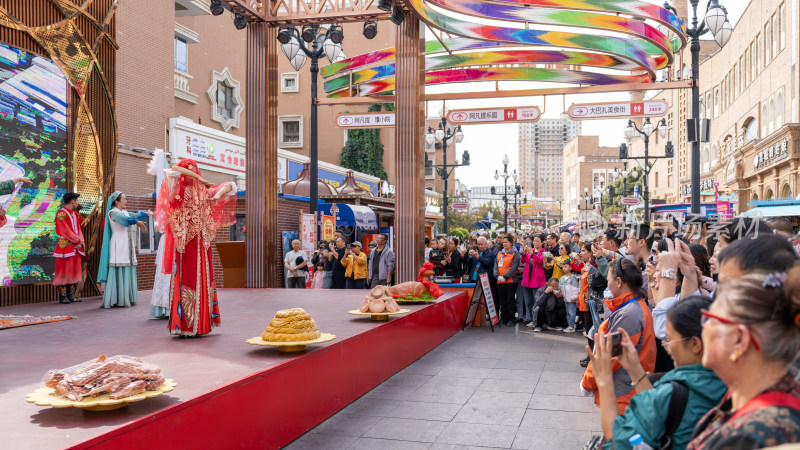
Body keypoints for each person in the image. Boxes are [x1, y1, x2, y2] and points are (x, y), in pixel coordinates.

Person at [589, 296, 726, 450]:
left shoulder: (668, 395)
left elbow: (617, 439)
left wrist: (604, 380)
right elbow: (659, 415)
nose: (666, 346)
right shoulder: (730, 383)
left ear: (695, 344)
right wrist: (634, 369)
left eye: (669, 339)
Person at [688, 268, 800, 449]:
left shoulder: (751, 436)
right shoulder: (770, 399)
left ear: (739, 339)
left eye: (710, 319)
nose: (704, 328)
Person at [155, 159, 237, 336]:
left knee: (200, 277)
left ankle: (198, 324)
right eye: (189, 170)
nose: (193, 172)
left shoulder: (203, 192)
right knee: (186, 278)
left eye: (194, 169)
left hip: (199, 244)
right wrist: (198, 178)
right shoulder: (176, 189)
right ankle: (185, 325)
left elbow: (230, 185)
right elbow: (174, 169)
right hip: (184, 244)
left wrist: (215, 195)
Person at [582, 257, 656, 415]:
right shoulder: (633, 307)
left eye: (608, 279)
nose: (607, 283)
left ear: (619, 282)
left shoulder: (629, 314)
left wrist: (587, 382)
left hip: (625, 395)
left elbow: (611, 356)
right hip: (627, 390)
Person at [97, 191, 149, 308]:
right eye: (124, 199)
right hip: (118, 243)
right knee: (119, 268)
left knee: (127, 267)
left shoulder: (124, 212)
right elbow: (125, 221)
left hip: (127, 243)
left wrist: (146, 213)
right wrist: (137, 222)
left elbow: (134, 215)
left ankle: (126, 298)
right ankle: (116, 299)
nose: (126, 201)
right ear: (116, 201)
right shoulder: (113, 213)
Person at [53, 192, 85, 304]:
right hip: (66, 246)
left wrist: (80, 241)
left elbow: (79, 229)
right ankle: (62, 296)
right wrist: (77, 240)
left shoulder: (75, 214)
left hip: (75, 246)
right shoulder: (61, 214)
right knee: (64, 270)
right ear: (72, 201)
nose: (77, 203)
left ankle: (70, 295)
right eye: (76, 201)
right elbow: (65, 231)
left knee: (72, 269)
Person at [493, 234, 520, 327]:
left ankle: (511, 319)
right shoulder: (500, 253)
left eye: (506, 242)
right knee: (502, 300)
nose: (504, 244)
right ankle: (503, 318)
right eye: (503, 242)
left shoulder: (515, 253)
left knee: (510, 300)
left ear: (511, 243)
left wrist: (505, 276)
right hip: (499, 281)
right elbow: (495, 266)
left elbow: (514, 267)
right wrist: (497, 276)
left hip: (511, 281)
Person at [521, 234, 547, 326]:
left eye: (537, 241)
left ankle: (536, 320)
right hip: (527, 278)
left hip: (537, 279)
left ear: (542, 242)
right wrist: (524, 254)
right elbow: (523, 261)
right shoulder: (530, 251)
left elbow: (540, 261)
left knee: (536, 302)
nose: (535, 243)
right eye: (534, 241)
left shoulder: (544, 251)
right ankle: (529, 318)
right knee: (528, 301)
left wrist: (532, 254)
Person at [559, 259, 580, 333]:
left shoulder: (573, 278)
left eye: (566, 266)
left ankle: (572, 326)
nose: (564, 268)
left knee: (572, 312)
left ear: (570, 268)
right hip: (565, 299)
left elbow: (575, 288)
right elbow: (560, 288)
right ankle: (570, 325)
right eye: (563, 267)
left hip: (571, 299)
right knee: (568, 312)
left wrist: (574, 297)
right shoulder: (561, 278)